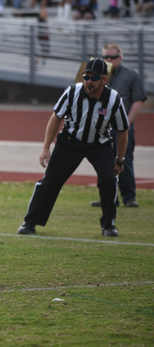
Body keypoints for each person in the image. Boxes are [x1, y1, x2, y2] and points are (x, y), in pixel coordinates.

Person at [17, 59, 129, 238]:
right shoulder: (71, 92)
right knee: (50, 182)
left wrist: (119, 159)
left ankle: (108, 224)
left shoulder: (114, 98)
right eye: (86, 77)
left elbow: (123, 131)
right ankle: (29, 222)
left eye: (93, 78)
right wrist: (45, 148)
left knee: (108, 180)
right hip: (69, 143)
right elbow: (56, 117)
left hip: (100, 145)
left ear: (104, 80)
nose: (89, 82)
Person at [90, 44, 147, 208]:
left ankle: (129, 197)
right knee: (102, 161)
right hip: (101, 126)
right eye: (105, 57)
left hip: (121, 126)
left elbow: (138, 100)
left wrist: (127, 123)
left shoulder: (131, 75)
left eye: (112, 57)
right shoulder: (96, 75)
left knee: (124, 160)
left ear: (120, 58)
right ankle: (107, 198)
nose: (109, 60)